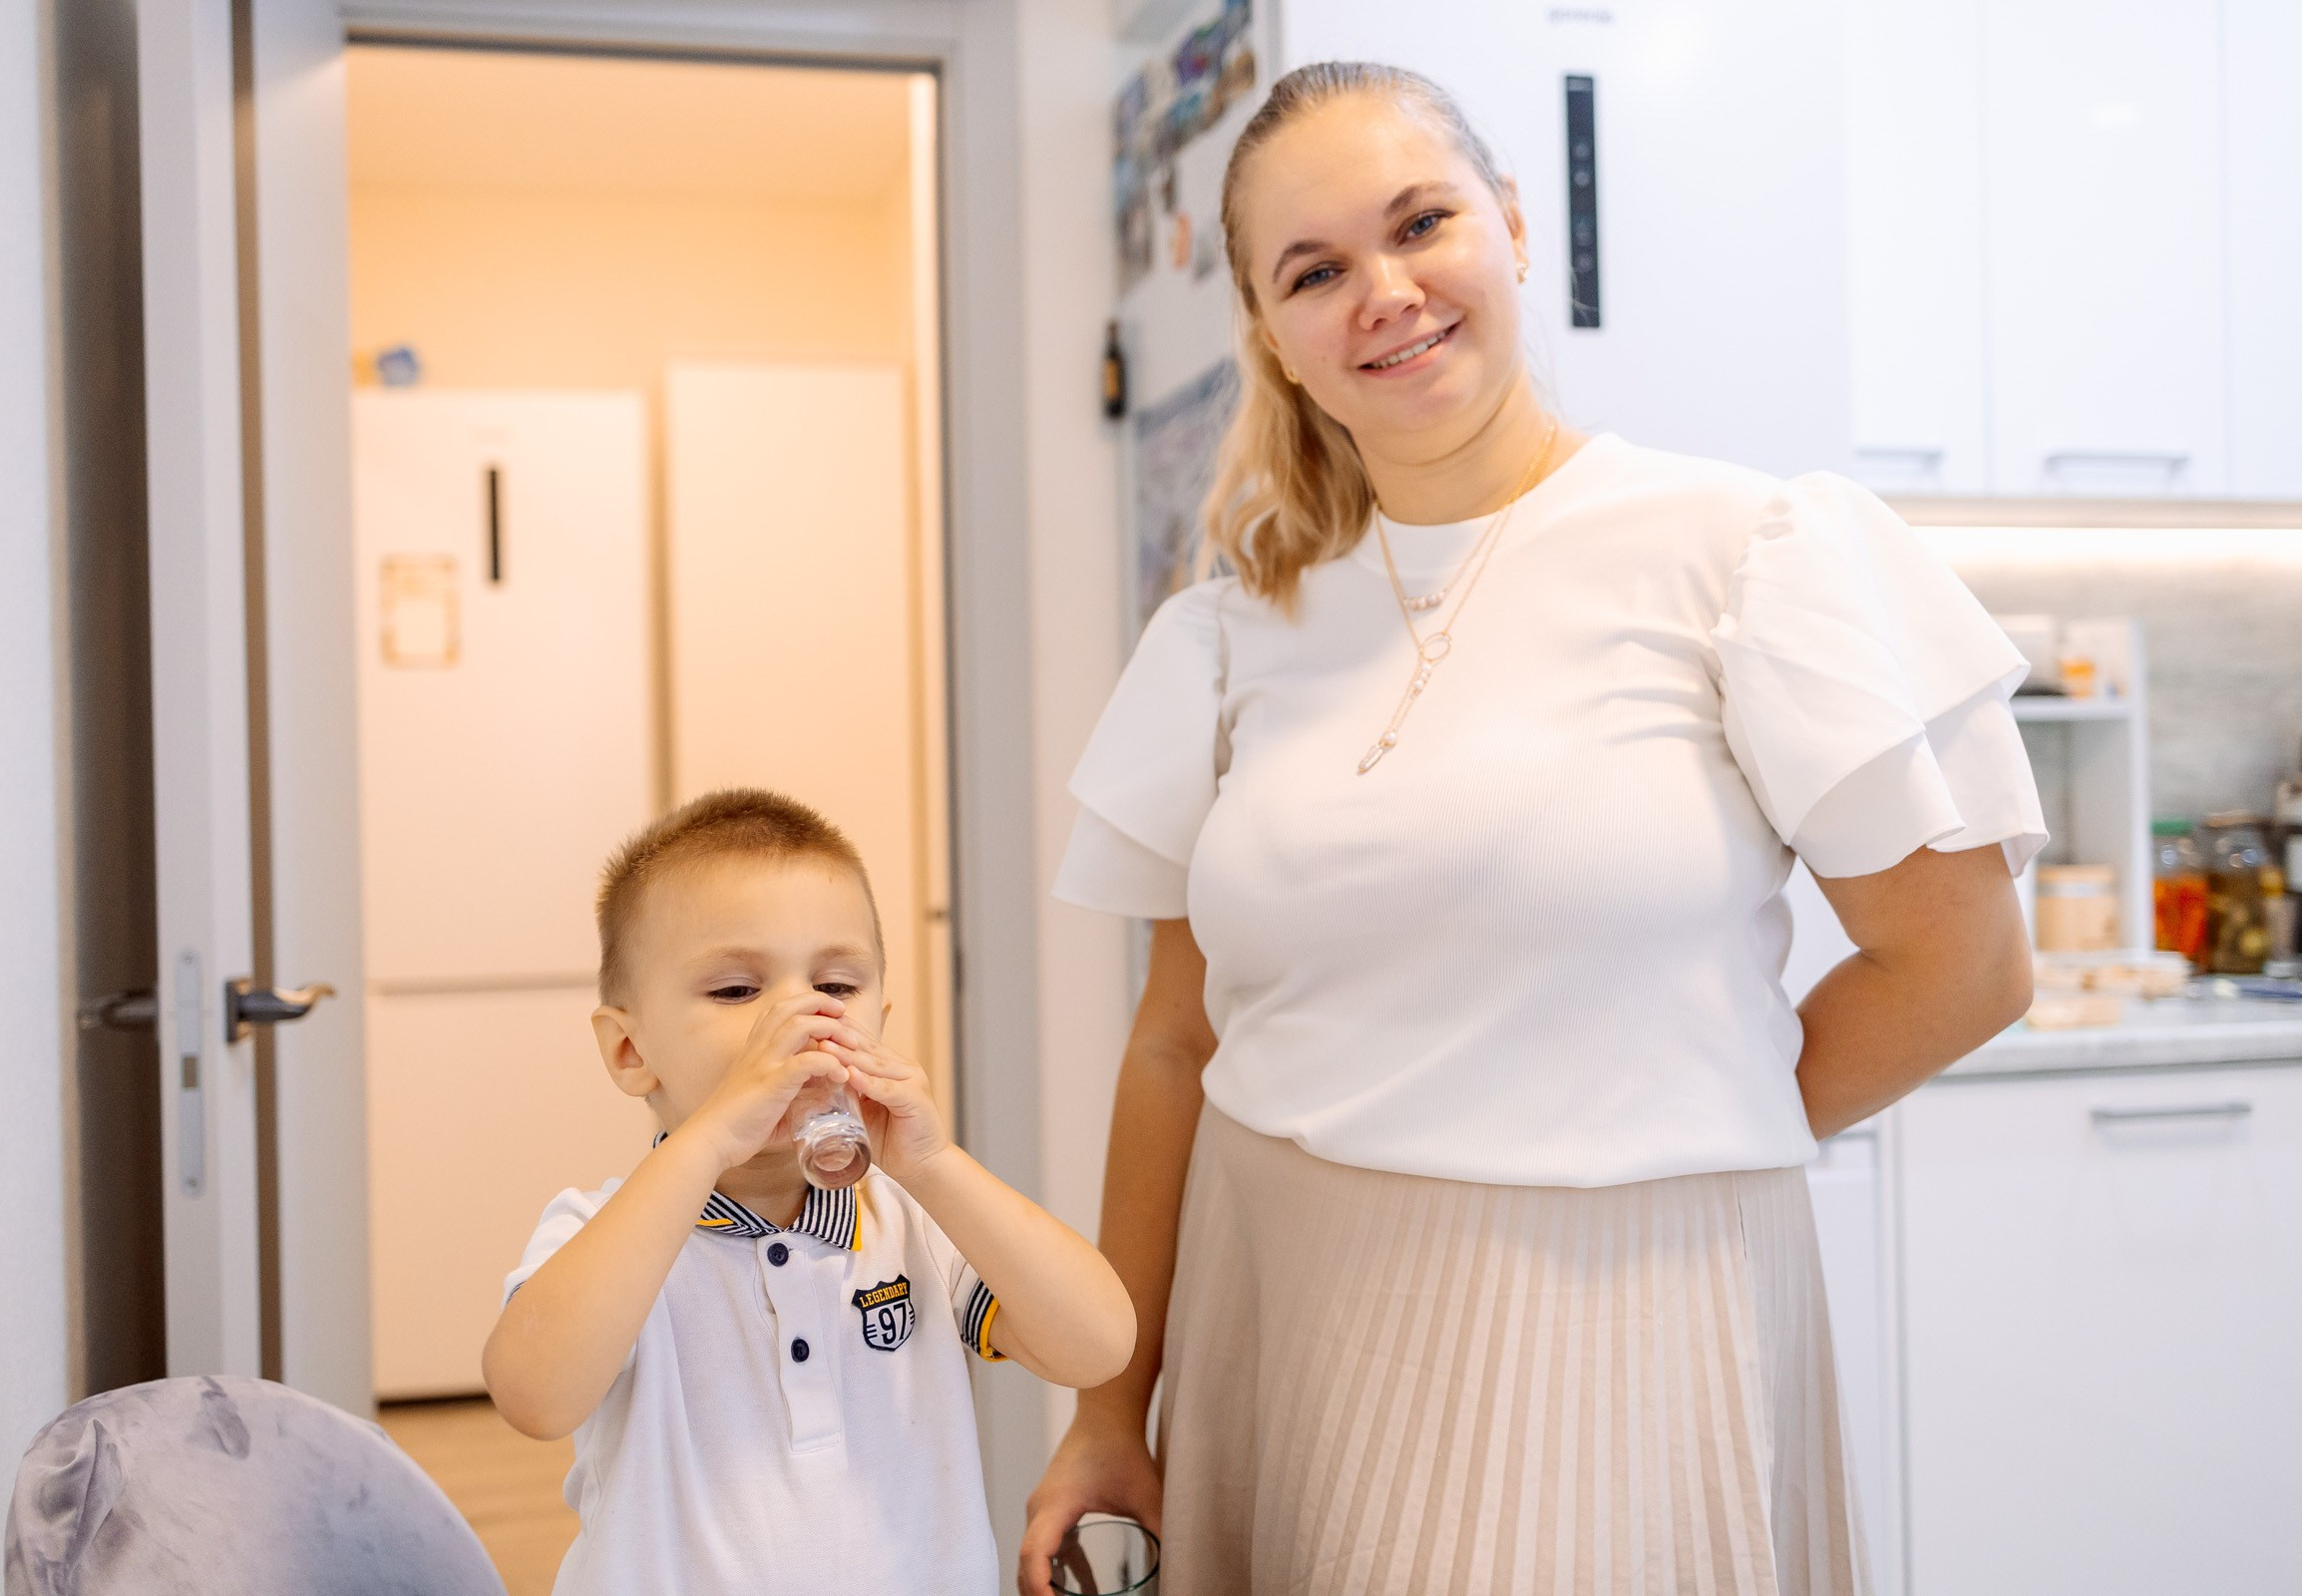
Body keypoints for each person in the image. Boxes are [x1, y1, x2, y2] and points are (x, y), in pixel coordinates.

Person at [1020, 61, 2044, 1596]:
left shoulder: (1742, 548)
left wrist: (1661, 1131)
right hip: (1275, 1305)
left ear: (1509, 222)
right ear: (1272, 335)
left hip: (1622, 1315)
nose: (1385, 292)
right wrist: (1110, 1407)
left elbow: (1962, 967)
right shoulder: (1232, 636)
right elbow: (1175, 1043)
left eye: (1419, 223)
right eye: (1315, 271)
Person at [486, 788, 1134, 1595]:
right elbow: (534, 1397)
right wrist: (709, 1141)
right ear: (630, 1051)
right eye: (736, 991)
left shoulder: (915, 1223)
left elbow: (1099, 1346)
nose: (800, 1022)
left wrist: (936, 1166)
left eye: (836, 985)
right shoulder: (604, 1231)